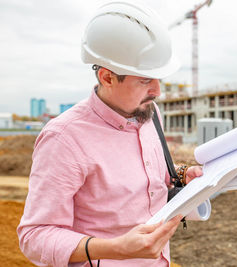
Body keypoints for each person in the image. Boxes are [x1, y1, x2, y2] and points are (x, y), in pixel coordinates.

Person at [17, 1, 203, 266]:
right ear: (107, 77)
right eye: (144, 79)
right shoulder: (64, 139)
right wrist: (115, 249)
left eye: (159, 78)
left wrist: (183, 174)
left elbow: (144, 177)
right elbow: (34, 236)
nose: (157, 91)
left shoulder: (151, 114)